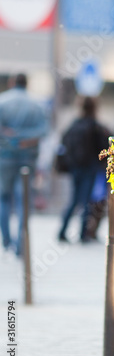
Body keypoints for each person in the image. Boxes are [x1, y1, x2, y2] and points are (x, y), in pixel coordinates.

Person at [0, 73, 48, 256]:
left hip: (5, 157)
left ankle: (6, 242)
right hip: (28, 158)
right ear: (27, 84)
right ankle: (20, 245)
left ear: (12, 82)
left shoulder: (2, 102)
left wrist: (11, 137)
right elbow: (43, 131)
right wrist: (24, 139)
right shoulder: (37, 105)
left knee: (4, 198)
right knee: (24, 201)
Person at [58, 97, 109, 243]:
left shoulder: (74, 124)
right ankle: (83, 234)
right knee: (87, 201)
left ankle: (62, 231)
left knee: (74, 200)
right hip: (90, 167)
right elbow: (104, 147)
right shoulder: (95, 126)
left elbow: (64, 144)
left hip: (75, 168)